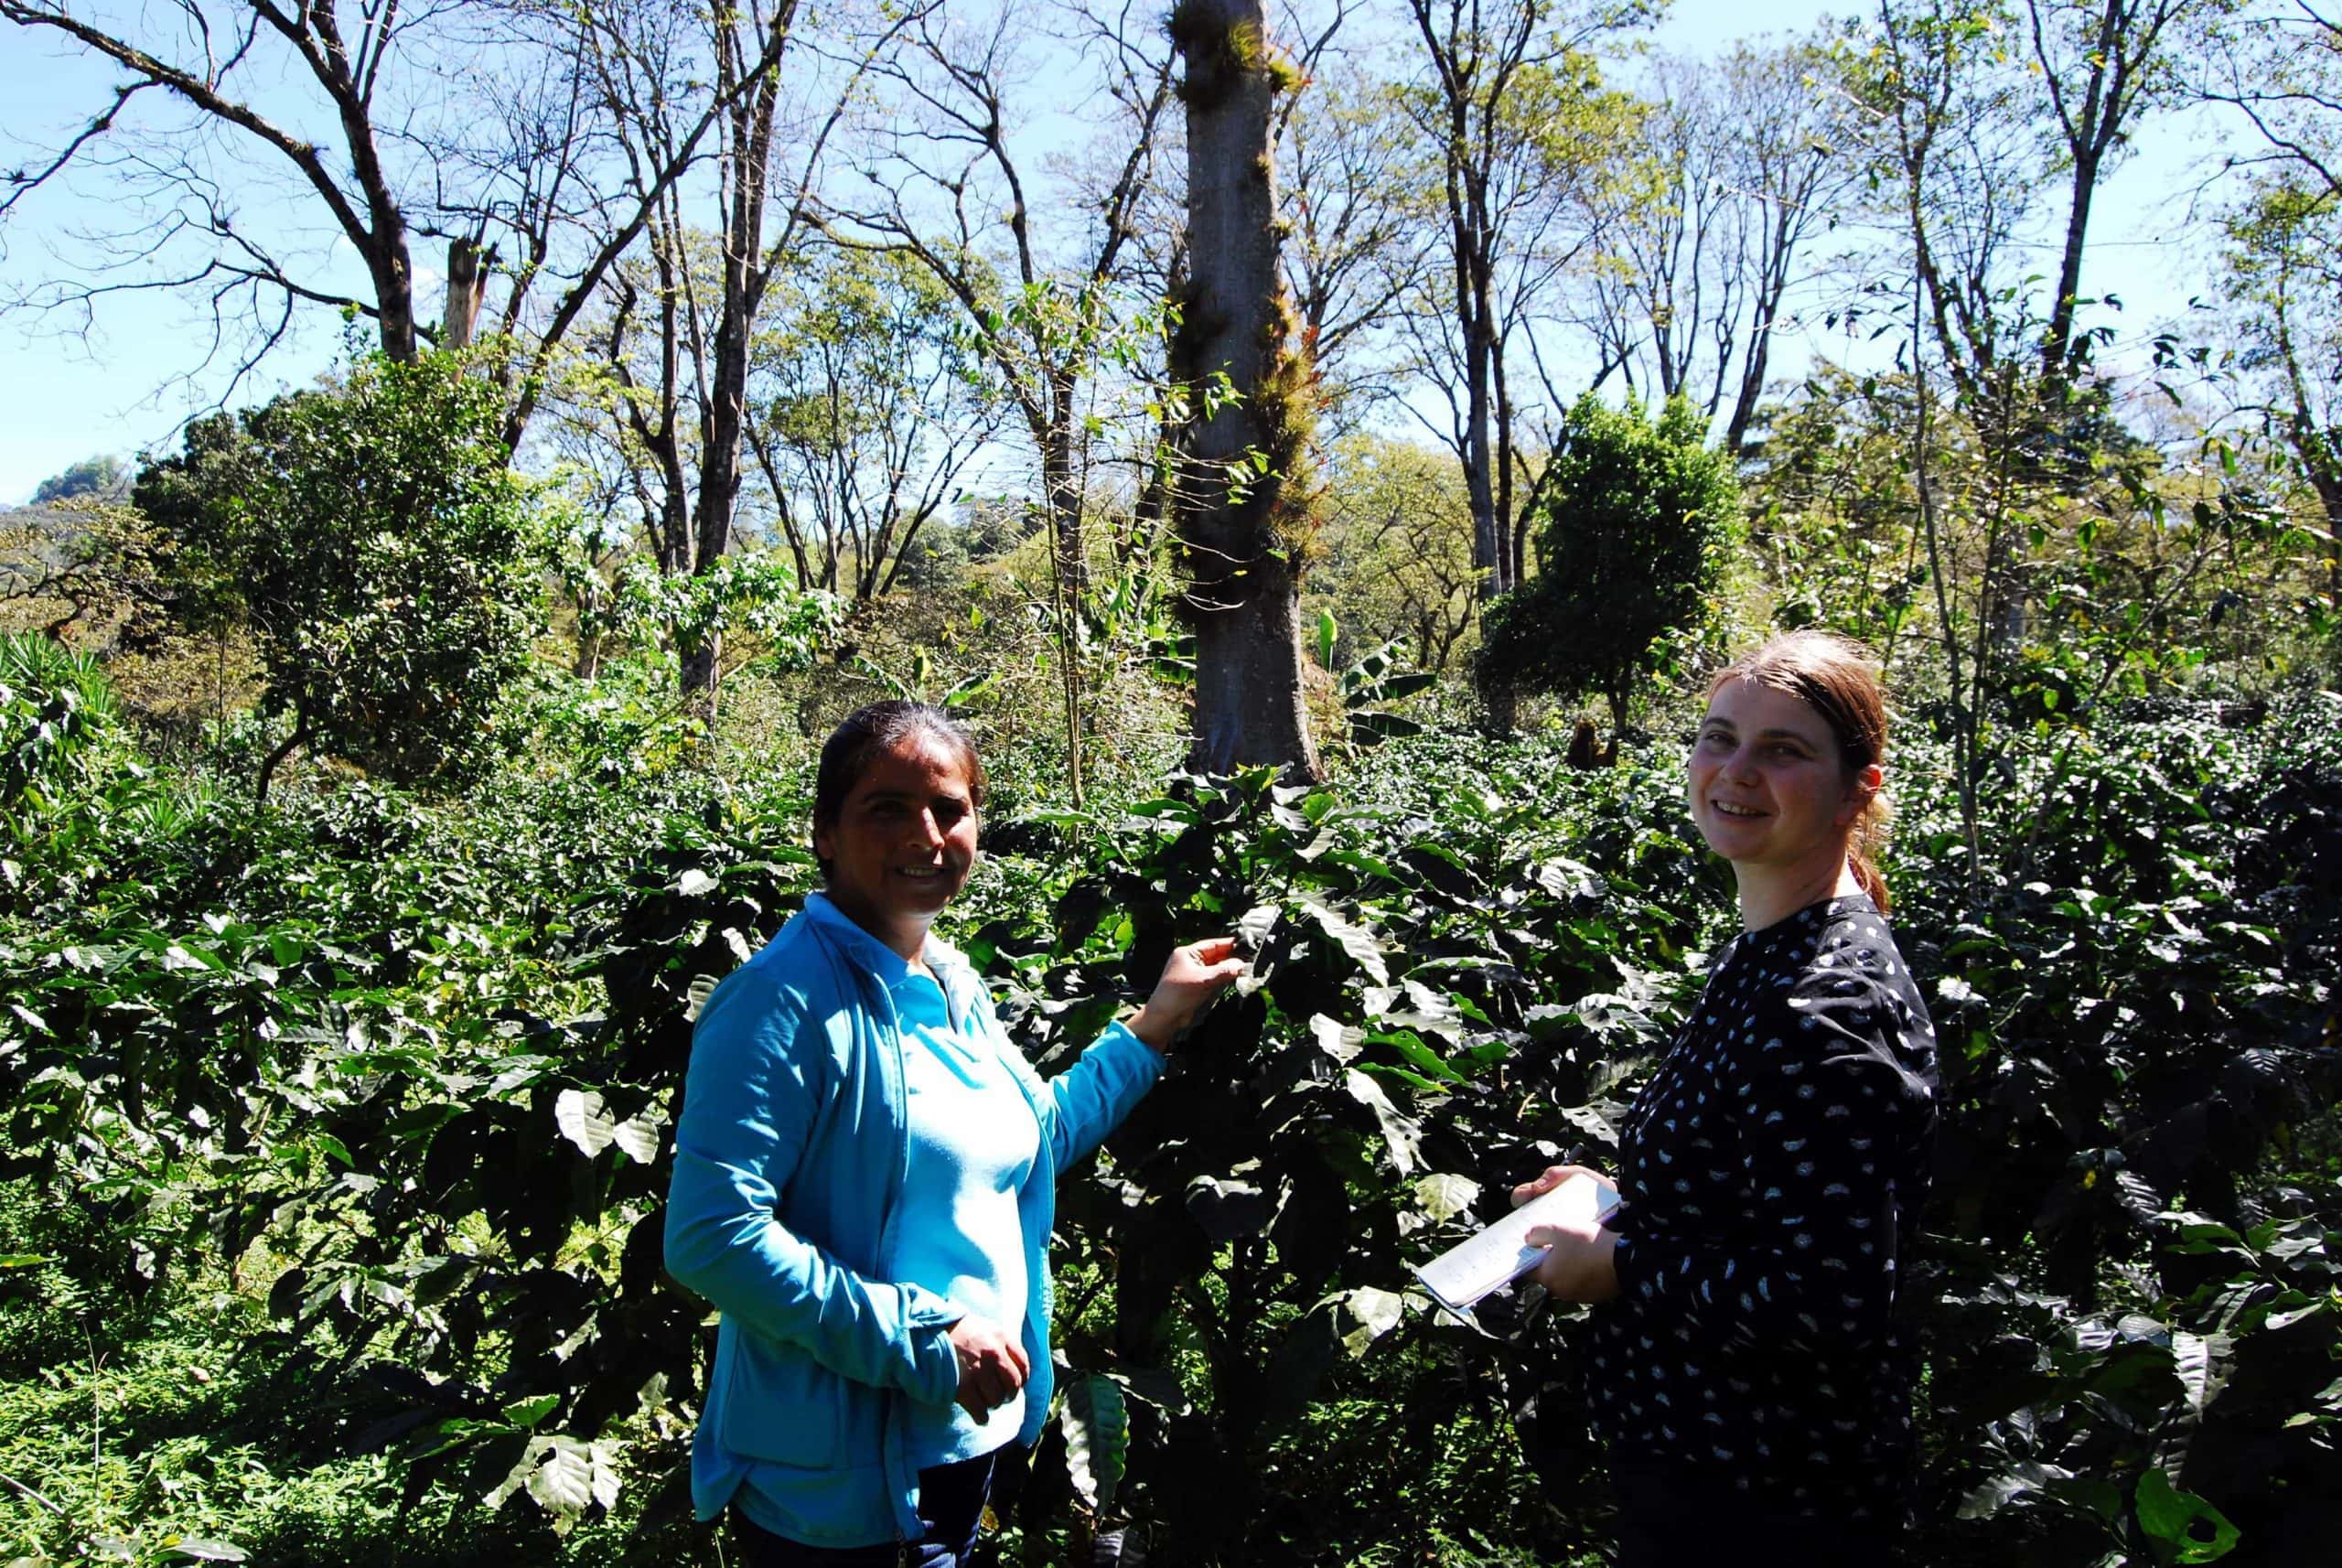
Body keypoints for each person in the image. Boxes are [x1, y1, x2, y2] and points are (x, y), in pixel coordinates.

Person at [664, 701, 1244, 1565]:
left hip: (958, 1450)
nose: (926, 834)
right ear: (825, 834)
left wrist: (1154, 1024)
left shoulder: (949, 983)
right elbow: (712, 1237)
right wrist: (923, 1339)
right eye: (886, 808)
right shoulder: (778, 1001)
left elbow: (1028, 1137)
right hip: (845, 1490)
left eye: (949, 808)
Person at [1513, 632, 1940, 1567]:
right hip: (1699, 1470)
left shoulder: (1827, 1004)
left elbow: (1829, 1300)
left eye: (1783, 750)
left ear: (1856, 789)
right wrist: (1621, 1205)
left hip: (1764, 1496)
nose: (1734, 771)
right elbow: (1763, 1199)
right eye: (1718, 737)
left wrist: (1618, 1266)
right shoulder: (1774, 941)